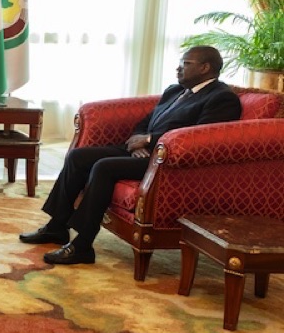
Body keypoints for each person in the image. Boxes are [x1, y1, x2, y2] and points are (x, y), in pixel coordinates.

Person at [20, 45, 242, 266]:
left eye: (186, 64)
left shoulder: (221, 98)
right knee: (78, 157)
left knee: (104, 167)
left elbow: (199, 139)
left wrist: (149, 140)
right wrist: (138, 142)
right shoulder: (175, 91)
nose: (178, 68)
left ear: (205, 68)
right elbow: (145, 122)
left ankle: (83, 245)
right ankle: (57, 227)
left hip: (168, 162)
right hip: (143, 151)